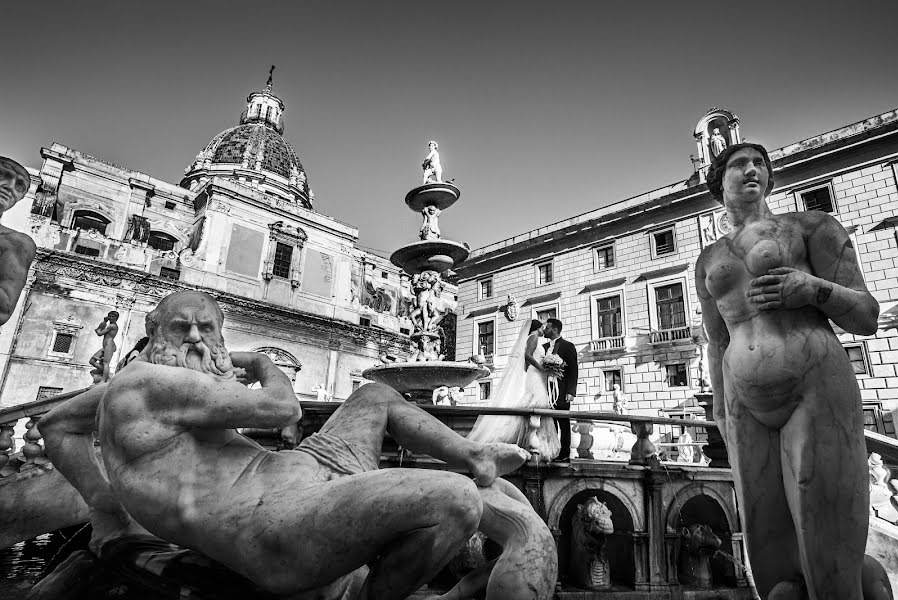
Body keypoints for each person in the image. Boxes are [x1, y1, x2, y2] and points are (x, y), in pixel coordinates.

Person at [40, 291, 553, 599]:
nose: (197, 338)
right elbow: (283, 409)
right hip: (270, 520)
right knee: (456, 501)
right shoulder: (147, 380)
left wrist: (105, 505)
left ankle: (475, 455)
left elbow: (56, 424)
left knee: (374, 395)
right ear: (155, 333)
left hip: (297, 473)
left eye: (207, 327)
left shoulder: (136, 388)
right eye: (181, 327)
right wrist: (262, 363)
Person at [696, 143, 888, 599]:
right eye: (740, 164)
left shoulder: (810, 227)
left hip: (815, 385)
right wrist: (722, 412)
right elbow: (717, 340)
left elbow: (867, 315)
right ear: (719, 182)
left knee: (829, 558)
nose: (752, 170)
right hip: (743, 404)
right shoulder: (707, 259)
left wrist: (812, 288)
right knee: (773, 570)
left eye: (760, 163)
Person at [467, 319, 561, 463]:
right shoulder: (534, 337)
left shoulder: (534, 338)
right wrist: (542, 368)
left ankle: (533, 443)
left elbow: (528, 361)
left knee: (537, 405)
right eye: (543, 327)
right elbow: (528, 356)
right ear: (536, 328)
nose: (544, 329)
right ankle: (534, 445)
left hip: (537, 375)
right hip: (536, 375)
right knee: (537, 403)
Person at [0, 157, 37, 326]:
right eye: (2, 175)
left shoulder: (17, 243)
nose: (10, 187)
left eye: (19, 186)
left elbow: (3, 309)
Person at [542, 318, 578, 462]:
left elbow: (573, 370)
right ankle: (553, 451)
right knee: (551, 423)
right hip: (545, 391)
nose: (545, 330)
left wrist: (571, 391)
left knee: (563, 422)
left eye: (548, 328)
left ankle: (564, 454)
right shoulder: (543, 348)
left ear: (555, 330)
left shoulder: (568, 346)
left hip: (562, 391)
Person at [89, 311, 119, 382]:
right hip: (105, 346)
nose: (111, 318)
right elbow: (100, 329)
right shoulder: (109, 325)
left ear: (116, 318)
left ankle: (103, 379)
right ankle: (105, 372)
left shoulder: (112, 326)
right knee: (92, 361)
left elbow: (99, 333)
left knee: (106, 363)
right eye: (110, 316)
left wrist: (98, 329)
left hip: (109, 345)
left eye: (113, 316)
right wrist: (104, 322)